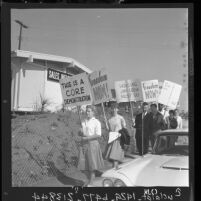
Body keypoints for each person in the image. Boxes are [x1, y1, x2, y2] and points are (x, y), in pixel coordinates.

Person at [77, 105, 104, 185]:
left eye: (89, 111)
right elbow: (80, 133)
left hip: (92, 144)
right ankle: (91, 179)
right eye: (86, 111)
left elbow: (98, 134)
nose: (87, 112)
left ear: (93, 112)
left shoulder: (96, 122)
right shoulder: (83, 121)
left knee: (92, 167)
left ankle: (90, 183)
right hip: (84, 144)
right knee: (83, 166)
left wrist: (87, 138)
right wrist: (80, 131)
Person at [105, 102, 126, 170]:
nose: (114, 110)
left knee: (115, 158)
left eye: (115, 108)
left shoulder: (121, 118)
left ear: (117, 109)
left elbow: (124, 128)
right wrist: (106, 126)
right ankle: (116, 171)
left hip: (119, 139)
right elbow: (109, 130)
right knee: (113, 158)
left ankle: (114, 171)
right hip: (112, 139)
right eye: (113, 108)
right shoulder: (109, 120)